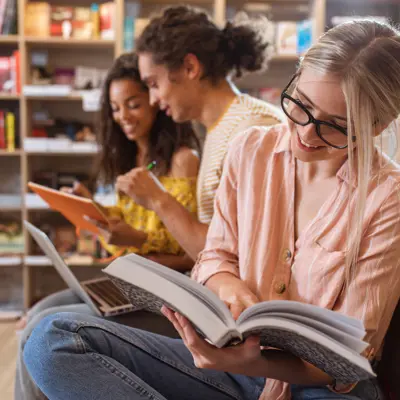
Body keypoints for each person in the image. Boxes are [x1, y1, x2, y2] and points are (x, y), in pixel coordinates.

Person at [23, 19, 400, 400]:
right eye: (300, 104)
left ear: (377, 124)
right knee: (51, 340)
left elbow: (347, 360)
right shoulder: (251, 150)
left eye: (333, 126)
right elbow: (215, 255)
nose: (304, 134)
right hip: (227, 366)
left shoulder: (387, 198)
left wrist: (254, 364)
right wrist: (228, 285)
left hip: (315, 386)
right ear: (296, 77)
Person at [14, 52, 200, 400]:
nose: (123, 118)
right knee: (35, 312)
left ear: (155, 101)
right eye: (115, 108)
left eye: (133, 105)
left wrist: (136, 239)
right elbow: (130, 225)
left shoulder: (183, 160)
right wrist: (92, 208)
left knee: (42, 326)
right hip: (127, 282)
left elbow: (188, 249)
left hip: (162, 293)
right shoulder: (133, 158)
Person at [115, 5, 284, 262]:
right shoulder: (220, 128)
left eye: (154, 84)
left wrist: (159, 200)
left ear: (190, 68)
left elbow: (239, 256)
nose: (152, 99)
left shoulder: (253, 129)